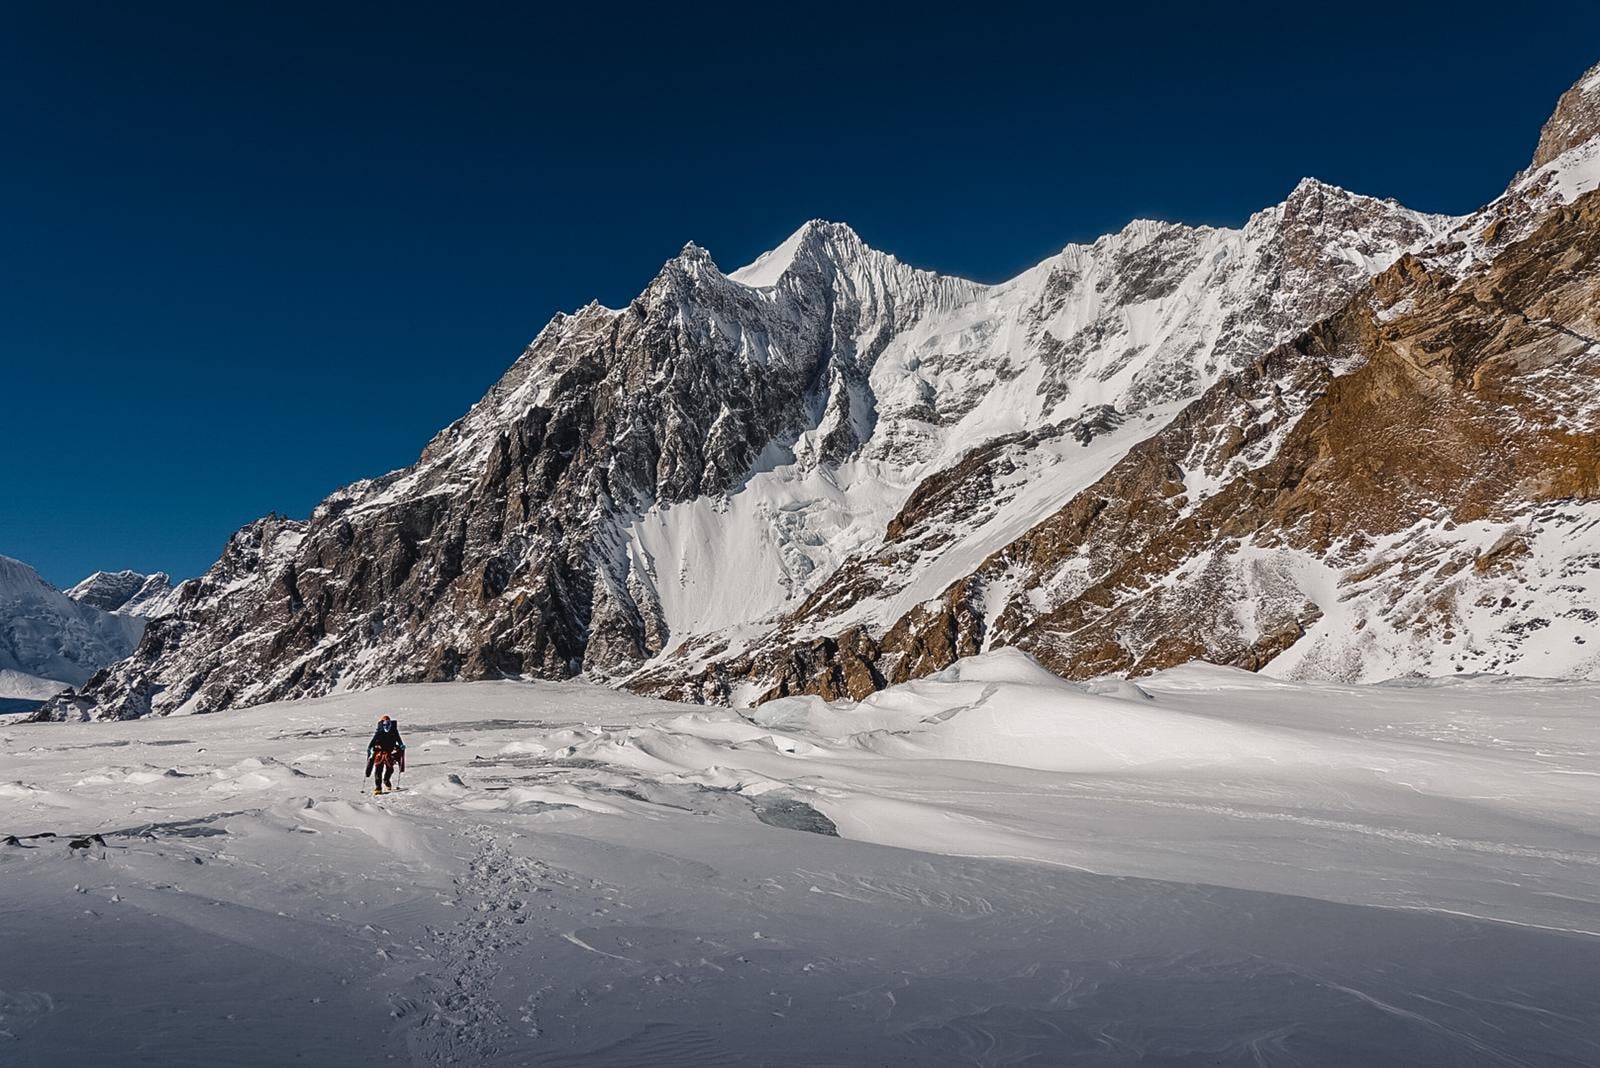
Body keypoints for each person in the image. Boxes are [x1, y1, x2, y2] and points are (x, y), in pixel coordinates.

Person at [365, 715, 406, 794]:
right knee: (378, 771)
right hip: (379, 754)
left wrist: (401, 745)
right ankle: (378, 787)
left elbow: (399, 740)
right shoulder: (379, 732)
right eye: (385, 724)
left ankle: (386, 781)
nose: (386, 726)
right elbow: (373, 741)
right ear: (382, 724)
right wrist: (370, 748)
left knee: (390, 769)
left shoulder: (394, 731)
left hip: (390, 753)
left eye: (388, 724)